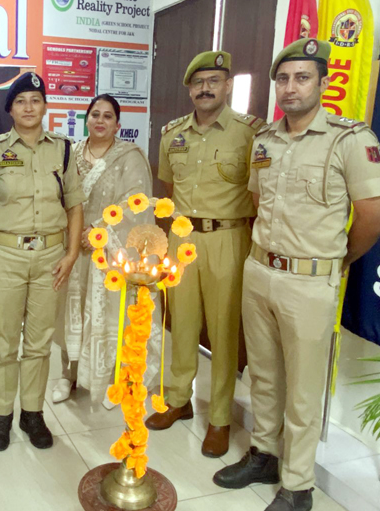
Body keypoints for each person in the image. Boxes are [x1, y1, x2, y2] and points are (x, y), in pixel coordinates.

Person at [213, 39, 380, 511]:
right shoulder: (266, 140)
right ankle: (265, 454)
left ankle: (298, 484)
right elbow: (256, 201)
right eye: (283, 79)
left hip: (311, 283)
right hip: (260, 270)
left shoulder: (350, 140)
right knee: (265, 376)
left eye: (302, 77)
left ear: (323, 82)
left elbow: (373, 214)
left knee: (304, 390)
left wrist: (337, 259)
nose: (291, 88)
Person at [144, 51, 265, 458]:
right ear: (190, 90)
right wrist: (164, 247)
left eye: (214, 80)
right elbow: (166, 193)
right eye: (198, 83)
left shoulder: (250, 133)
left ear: (228, 85)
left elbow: (261, 194)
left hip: (227, 239)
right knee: (182, 323)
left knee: (224, 330)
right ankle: (178, 400)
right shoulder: (173, 133)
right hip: (182, 239)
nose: (205, 88)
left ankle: (218, 417)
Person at [0, 72, 85, 452]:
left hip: (51, 257)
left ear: (45, 106)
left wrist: (70, 254)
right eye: (21, 101)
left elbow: (74, 204)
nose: (29, 107)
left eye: (36, 99)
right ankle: (1, 415)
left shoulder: (64, 149)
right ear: (10, 110)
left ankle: (31, 413)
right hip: (5, 256)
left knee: (39, 343)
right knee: (4, 342)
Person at [51, 94, 163, 408]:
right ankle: (67, 374)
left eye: (107, 116)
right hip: (72, 248)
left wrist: (99, 231)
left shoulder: (130, 157)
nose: (100, 121)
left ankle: (114, 380)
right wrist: (76, 234)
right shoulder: (70, 154)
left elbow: (135, 205)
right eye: (95, 115)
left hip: (110, 253)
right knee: (69, 313)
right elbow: (55, 198)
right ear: (87, 119)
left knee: (113, 316)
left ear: (118, 124)